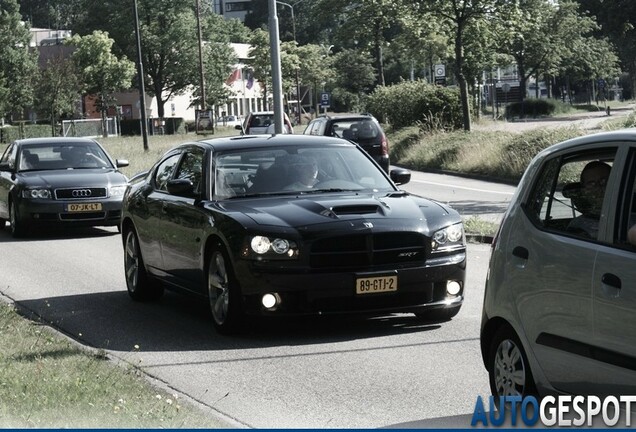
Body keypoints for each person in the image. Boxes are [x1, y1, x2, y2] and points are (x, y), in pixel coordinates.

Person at [567, 161, 611, 238]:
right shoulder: (579, 226)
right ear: (584, 191)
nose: (599, 187)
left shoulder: (629, 211)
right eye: (591, 183)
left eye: (603, 181)